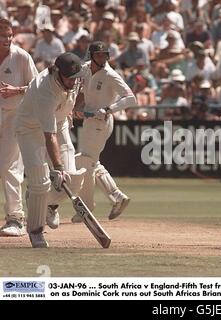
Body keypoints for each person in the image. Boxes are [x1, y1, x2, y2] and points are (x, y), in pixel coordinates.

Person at [15, 52, 86, 247]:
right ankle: (36, 231)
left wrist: (70, 109)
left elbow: (82, 88)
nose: (73, 82)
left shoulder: (77, 75)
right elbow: (49, 136)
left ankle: (49, 205)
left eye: (75, 78)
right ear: (56, 72)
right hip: (30, 129)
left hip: (60, 123)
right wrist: (57, 167)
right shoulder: (44, 90)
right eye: (69, 78)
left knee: (72, 178)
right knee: (40, 182)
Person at [72, 41, 137, 223]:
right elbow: (79, 90)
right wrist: (76, 107)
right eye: (99, 55)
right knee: (91, 162)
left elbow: (131, 98)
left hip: (101, 121)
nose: (102, 58)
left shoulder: (110, 74)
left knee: (85, 161)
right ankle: (117, 197)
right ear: (91, 56)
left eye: (104, 55)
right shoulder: (84, 69)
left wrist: (108, 109)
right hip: (89, 120)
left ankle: (86, 208)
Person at [0, 18, 38, 237]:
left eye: (9, 35)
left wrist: (17, 89)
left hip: (15, 117)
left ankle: (16, 218)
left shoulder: (22, 56)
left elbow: (36, 86)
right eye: (2, 35)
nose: (6, 39)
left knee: (9, 167)